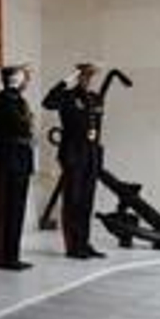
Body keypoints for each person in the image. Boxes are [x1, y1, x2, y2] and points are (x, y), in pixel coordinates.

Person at [43, 62, 107, 259]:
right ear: (77, 76)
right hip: (73, 152)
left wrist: (97, 154)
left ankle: (84, 242)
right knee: (73, 200)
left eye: (90, 75)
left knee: (87, 201)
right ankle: (73, 246)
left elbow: (97, 127)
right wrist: (65, 81)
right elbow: (48, 102)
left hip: (91, 153)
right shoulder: (67, 96)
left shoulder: (95, 98)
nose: (87, 79)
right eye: (83, 75)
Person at [0, 63, 35, 271]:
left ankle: (13, 255)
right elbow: (20, 125)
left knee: (17, 209)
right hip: (7, 157)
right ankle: (1, 257)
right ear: (15, 79)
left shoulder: (19, 100)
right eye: (25, 77)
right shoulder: (2, 99)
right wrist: (28, 123)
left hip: (21, 157)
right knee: (5, 209)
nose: (27, 81)